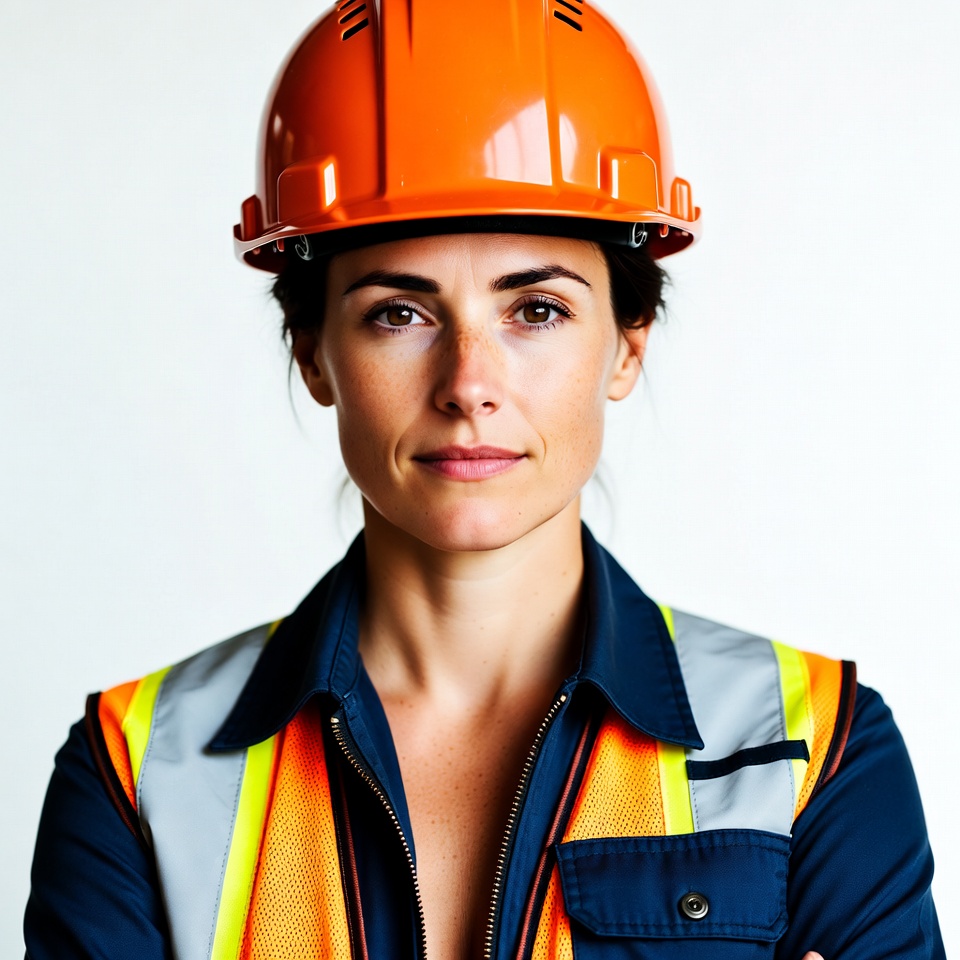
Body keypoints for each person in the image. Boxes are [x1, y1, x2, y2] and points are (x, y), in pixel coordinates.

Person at [24, 1, 943, 958]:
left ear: (627, 344)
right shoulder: (136, 770)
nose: (469, 385)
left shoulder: (817, 751)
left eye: (537, 310)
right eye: (397, 314)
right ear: (312, 351)